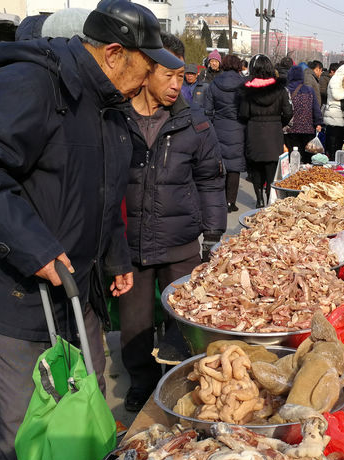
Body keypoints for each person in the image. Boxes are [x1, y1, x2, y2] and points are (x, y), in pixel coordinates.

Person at [0, 1, 183, 460]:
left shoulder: (106, 101)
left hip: (77, 290)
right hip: (15, 293)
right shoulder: (33, 85)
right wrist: (33, 246)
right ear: (115, 54)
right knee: (26, 432)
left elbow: (103, 191)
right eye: (147, 64)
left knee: (82, 419)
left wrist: (115, 254)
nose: (149, 78)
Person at [121, 33, 226, 412]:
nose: (176, 85)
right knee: (134, 324)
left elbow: (211, 180)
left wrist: (213, 234)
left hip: (179, 239)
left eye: (182, 77)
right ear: (146, 71)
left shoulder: (193, 122)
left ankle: (181, 380)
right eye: (169, 75)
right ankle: (141, 382)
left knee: (184, 320)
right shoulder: (116, 117)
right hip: (129, 242)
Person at [240, 53, 292, 208]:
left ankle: (259, 199)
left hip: (254, 131)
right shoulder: (280, 89)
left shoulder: (247, 90)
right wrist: (279, 123)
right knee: (271, 170)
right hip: (274, 133)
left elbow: (243, 113)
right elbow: (288, 112)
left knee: (255, 169)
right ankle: (269, 198)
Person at [205, 53, 246, 213]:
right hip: (238, 127)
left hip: (219, 127)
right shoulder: (243, 84)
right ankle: (231, 202)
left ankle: (220, 200)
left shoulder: (215, 83)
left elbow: (208, 109)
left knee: (221, 165)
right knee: (234, 166)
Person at [284, 64, 322, 164]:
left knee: (292, 158)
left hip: (291, 130)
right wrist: (318, 122)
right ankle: (305, 178)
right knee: (307, 160)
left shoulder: (286, 90)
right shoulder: (309, 90)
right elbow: (316, 108)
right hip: (308, 129)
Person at [323, 62, 344, 160]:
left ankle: (336, 163)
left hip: (339, 117)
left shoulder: (342, 80)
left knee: (338, 144)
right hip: (334, 118)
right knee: (333, 145)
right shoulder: (336, 80)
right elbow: (337, 95)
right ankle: (332, 164)